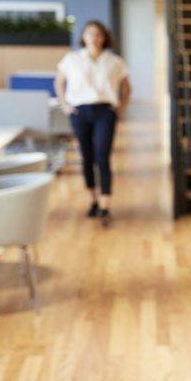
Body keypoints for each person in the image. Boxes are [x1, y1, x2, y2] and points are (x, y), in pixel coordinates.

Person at [54, 20, 131, 228]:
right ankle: (93, 199)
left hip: (105, 111)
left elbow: (126, 87)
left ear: (104, 37)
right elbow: (59, 82)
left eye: (98, 34)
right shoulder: (72, 59)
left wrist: (120, 108)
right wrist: (64, 104)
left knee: (102, 156)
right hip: (80, 112)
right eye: (90, 34)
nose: (94, 37)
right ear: (84, 37)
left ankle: (106, 203)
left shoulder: (114, 61)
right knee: (87, 157)